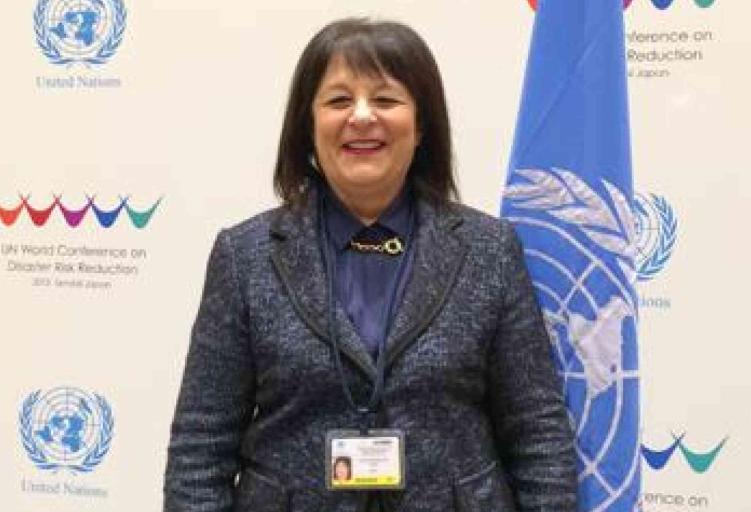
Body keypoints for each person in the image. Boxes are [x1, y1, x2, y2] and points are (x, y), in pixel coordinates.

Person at [164, 17, 577, 512]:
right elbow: (199, 450)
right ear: (307, 125)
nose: (361, 116)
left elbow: (537, 435)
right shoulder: (244, 255)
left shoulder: (490, 250)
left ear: (421, 125)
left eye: (385, 100)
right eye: (339, 101)